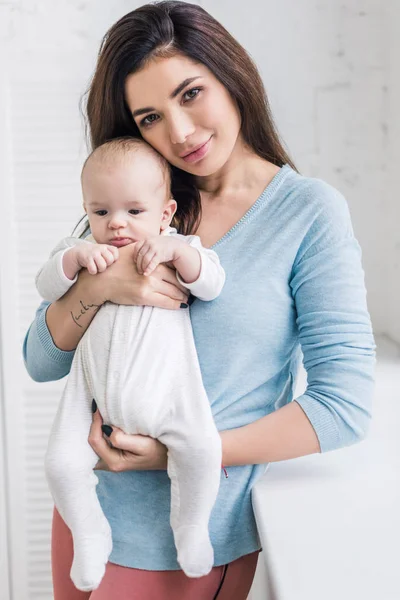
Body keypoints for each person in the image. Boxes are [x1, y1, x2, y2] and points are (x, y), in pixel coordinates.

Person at [23, 2, 376, 599]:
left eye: (191, 94)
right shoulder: (135, 203)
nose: (180, 133)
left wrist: (176, 454)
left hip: (190, 540)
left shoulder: (308, 214)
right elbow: (41, 360)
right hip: (86, 519)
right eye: (151, 117)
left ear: (232, 77)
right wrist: (102, 286)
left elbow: (345, 406)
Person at [35, 137, 226, 591]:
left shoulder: (177, 247)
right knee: (60, 464)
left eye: (134, 211)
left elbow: (213, 283)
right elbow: (45, 285)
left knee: (201, 450)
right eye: (100, 212)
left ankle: (191, 526)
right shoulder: (82, 250)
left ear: (164, 214)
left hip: (170, 391)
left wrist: (180, 254)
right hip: (92, 395)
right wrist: (74, 260)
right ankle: (90, 532)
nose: (116, 224)